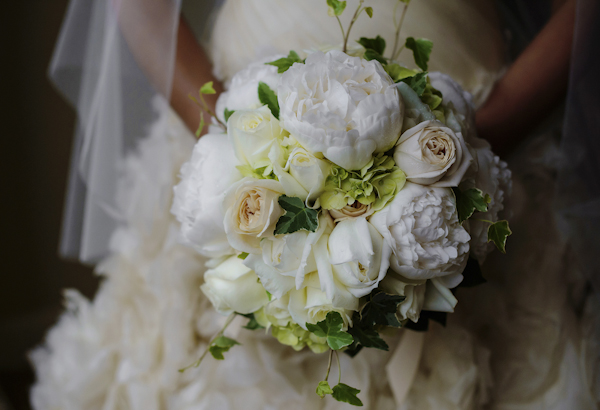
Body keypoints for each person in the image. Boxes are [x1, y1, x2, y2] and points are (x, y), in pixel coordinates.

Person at [31, 0, 599, 409]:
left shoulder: (469, 148)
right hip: (238, 126)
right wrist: (233, 147)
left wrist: (471, 140)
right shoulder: (236, 153)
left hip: (480, 127)